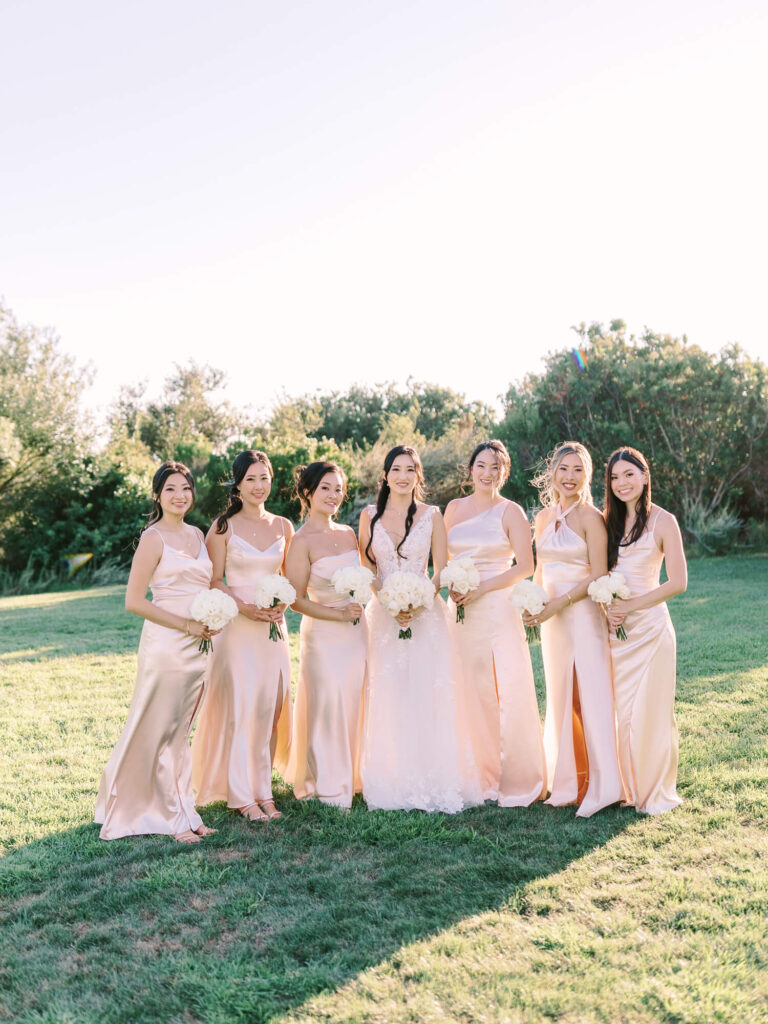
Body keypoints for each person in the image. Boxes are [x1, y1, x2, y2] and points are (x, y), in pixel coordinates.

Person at [95, 461, 219, 843]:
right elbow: (134, 601)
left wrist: (211, 617)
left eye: (185, 488)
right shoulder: (153, 538)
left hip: (201, 645)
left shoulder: (198, 534)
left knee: (181, 732)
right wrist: (185, 625)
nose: (180, 495)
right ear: (157, 495)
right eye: (170, 490)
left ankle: (185, 808)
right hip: (167, 645)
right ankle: (170, 818)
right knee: (159, 728)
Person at [358, 445, 481, 813]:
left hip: (426, 613)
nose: (402, 476)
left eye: (410, 470)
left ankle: (432, 779)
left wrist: (419, 598)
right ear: (385, 475)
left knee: (427, 693)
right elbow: (366, 570)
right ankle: (392, 778)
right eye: (396, 469)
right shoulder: (369, 516)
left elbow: (441, 567)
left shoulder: (432, 515)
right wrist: (390, 603)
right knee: (390, 693)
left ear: (418, 476)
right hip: (382, 616)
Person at [192, 451, 293, 822]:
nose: (258, 486)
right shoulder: (222, 527)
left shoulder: (283, 526)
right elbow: (213, 580)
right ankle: (240, 795)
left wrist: (282, 602)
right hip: (237, 628)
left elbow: (289, 577)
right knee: (242, 706)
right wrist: (244, 607)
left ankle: (263, 790)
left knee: (269, 707)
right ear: (237, 484)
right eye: (251, 479)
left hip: (273, 628)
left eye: (264, 478)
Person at [444, 440, 546, 806]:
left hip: (497, 607)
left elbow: (525, 566)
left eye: (496, 467)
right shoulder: (453, 509)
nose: (488, 473)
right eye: (482, 465)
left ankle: (515, 775)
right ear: (470, 469)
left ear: (505, 473)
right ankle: (475, 773)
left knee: (507, 687)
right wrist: (453, 585)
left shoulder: (511, 511)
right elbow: (442, 559)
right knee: (468, 688)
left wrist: (481, 587)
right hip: (461, 612)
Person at [526, 442, 625, 816]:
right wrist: (532, 601)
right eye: (564, 469)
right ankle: (572, 780)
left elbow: (598, 575)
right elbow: (540, 569)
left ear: (586, 476)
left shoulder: (591, 518)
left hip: (582, 615)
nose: (570, 477)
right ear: (552, 472)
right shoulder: (542, 518)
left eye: (578, 470)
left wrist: (559, 603)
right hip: (553, 623)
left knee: (588, 695)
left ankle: (603, 784)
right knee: (562, 696)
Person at [603, 446, 687, 814]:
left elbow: (679, 582)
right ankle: (628, 788)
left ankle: (654, 790)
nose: (622, 483)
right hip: (616, 633)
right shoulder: (606, 521)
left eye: (629, 475)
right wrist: (609, 606)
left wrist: (631, 606)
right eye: (615, 477)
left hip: (652, 631)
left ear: (645, 476)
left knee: (650, 712)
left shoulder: (664, 521)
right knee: (622, 715)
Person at [284, 462, 367, 808]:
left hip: (357, 631)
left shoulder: (349, 534)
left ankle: (356, 775)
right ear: (308, 493)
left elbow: (364, 580)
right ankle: (327, 784)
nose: (334, 495)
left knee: (354, 701)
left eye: (338, 489)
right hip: (323, 633)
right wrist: (337, 613)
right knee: (328, 704)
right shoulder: (300, 541)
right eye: (325, 489)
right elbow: (295, 600)